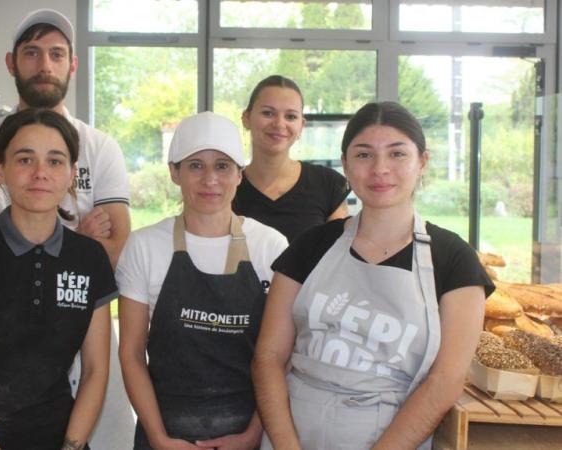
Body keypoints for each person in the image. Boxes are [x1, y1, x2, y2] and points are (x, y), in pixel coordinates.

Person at [252, 102, 495, 450]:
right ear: (346, 165)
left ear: (421, 162)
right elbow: (268, 358)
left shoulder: (455, 260)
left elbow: (445, 381)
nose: (380, 169)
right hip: (289, 437)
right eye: (364, 155)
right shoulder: (310, 246)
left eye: (397, 154)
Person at [0, 109, 117, 450]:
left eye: (55, 161)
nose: (41, 173)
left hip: (61, 440)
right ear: (0, 169)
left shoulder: (90, 258)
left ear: (72, 174)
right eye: (25, 159)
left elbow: (94, 371)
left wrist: (71, 447)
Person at [117, 112, 288, 450]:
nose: (210, 179)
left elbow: (285, 353)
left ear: (240, 174)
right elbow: (131, 354)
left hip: (250, 431)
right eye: (196, 165)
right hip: (165, 430)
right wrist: (158, 437)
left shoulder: (270, 246)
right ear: (174, 172)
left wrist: (255, 432)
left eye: (223, 166)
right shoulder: (145, 246)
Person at [0, 9, 130, 266]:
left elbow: (116, 254)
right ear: (11, 63)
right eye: (32, 53)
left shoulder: (101, 148)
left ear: (73, 65)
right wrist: (77, 242)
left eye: (56, 54)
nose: (45, 66)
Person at [233, 75, 349, 242]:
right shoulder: (226, 188)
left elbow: (337, 257)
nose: (279, 124)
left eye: (291, 116)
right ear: (246, 118)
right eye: (268, 113)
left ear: (301, 125)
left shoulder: (328, 184)